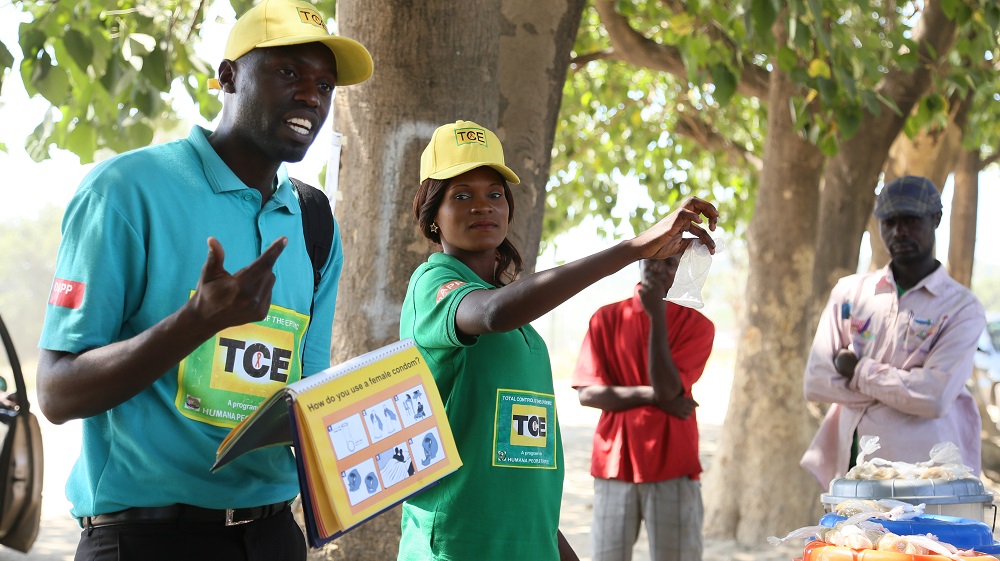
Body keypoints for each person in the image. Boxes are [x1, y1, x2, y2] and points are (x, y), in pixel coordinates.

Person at [35, 1, 373, 559]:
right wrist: (195, 323)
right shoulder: (126, 192)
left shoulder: (315, 223)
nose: (311, 96)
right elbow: (56, 391)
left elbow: (304, 402)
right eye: (288, 72)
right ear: (227, 76)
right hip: (145, 538)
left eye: (325, 84)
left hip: (272, 537)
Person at [397, 120, 719, 561]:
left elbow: (526, 464)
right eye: (461, 195)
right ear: (432, 216)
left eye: (494, 194)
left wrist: (559, 547)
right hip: (460, 543)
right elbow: (493, 313)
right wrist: (633, 248)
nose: (481, 206)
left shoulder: (525, 330)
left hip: (530, 543)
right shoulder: (435, 283)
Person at [800, 175, 986, 490]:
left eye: (911, 220)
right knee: (855, 541)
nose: (898, 231)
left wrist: (858, 370)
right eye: (889, 221)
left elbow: (934, 398)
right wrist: (905, 390)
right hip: (854, 472)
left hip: (929, 478)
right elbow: (816, 382)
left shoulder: (962, 307)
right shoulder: (850, 293)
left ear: (936, 219)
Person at [571, 256, 715, 561]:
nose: (661, 270)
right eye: (654, 261)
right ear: (640, 264)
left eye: (672, 264)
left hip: (673, 460)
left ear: (682, 269)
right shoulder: (606, 318)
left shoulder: (698, 326)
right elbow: (588, 394)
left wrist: (657, 317)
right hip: (615, 462)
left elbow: (668, 388)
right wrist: (656, 398)